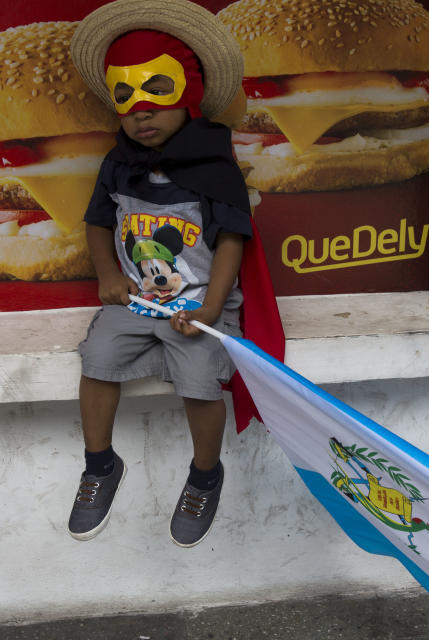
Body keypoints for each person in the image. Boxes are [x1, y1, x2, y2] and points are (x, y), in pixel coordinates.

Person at [68, 0, 257, 547]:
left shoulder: (214, 165)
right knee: (97, 357)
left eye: (157, 94)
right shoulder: (116, 163)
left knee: (202, 380)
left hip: (200, 303)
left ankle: (204, 474)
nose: (141, 112)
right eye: (125, 98)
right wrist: (107, 274)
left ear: (189, 97)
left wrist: (212, 307)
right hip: (136, 302)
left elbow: (230, 242)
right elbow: (99, 223)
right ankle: (100, 464)